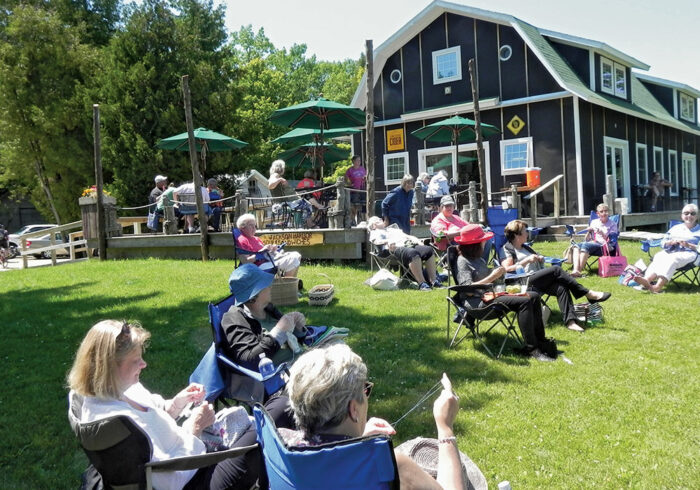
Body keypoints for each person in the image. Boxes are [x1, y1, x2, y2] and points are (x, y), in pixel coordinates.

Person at [67, 319, 294, 490]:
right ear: (109, 366)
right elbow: (168, 479)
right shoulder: (119, 423)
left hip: (192, 461)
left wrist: (178, 402)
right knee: (275, 413)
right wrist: (193, 429)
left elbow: (153, 415)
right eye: (136, 361)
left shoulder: (106, 393)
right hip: (193, 480)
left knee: (271, 414)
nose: (144, 364)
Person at [282, 343, 465, 490]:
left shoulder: (283, 445)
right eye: (365, 390)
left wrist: (356, 440)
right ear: (353, 409)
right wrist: (444, 426)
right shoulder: (387, 465)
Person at [455, 224, 556, 361]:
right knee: (524, 301)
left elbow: (488, 278)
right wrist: (493, 276)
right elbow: (467, 289)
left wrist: (500, 272)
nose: (485, 243)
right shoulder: (463, 261)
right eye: (483, 240)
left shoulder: (479, 259)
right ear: (475, 244)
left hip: (492, 296)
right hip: (478, 304)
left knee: (533, 296)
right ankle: (532, 349)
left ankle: (541, 343)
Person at [501, 219, 611, 332]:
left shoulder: (526, 247)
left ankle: (570, 322)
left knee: (561, 287)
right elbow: (507, 269)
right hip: (523, 283)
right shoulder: (507, 249)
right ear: (516, 235)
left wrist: (540, 259)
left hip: (537, 280)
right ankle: (587, 293)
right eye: (525, 231)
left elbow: (536, 264)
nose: (527, 233)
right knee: (556, 269)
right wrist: (527, 260)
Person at [222, 264, 306, 370]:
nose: (270, 285)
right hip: (284, 373)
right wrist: (278, 331)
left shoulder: (268, 308)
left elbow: (296, 341)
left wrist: (298, 327)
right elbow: (249, 360)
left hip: (303, 359)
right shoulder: (233, 319)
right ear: (255, 293)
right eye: (265, 284)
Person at [634, 203, 700, 293]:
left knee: (673, 258)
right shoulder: (675, 228)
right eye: (686, 213)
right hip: (672, 250)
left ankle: (657, 287)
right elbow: (663, 242)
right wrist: (670, 242)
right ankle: (646, 280)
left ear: (697, 216)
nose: (689, 215)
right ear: (682, 216)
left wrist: (689, 245)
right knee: (659, 256)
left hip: (691, 254)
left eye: (692, 213)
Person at [367, 216, 441, 290]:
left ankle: (434, 281)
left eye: (380, 219)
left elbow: (407, 236)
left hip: (408, 244)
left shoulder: (392, 229)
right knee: (412, 253)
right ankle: (422, 283)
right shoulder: (375, 232)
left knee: (428, 250)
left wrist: (418, 241)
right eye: (377, 221)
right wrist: (387, 241)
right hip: (393, 248)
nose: (380, 219)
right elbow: (376, 241)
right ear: (373, 226)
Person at [235, 213, 301, 277]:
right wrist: (262, 252)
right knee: (293, 259)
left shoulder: (256, 238)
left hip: (268, 261)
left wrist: (272, 249)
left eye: (255, 226)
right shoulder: (242, 240)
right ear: (242, 227)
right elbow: (246, 261)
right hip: (259, 266)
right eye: (251, 225)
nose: (254, 228)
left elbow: (265, 253)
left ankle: (292, 282)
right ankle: (287, 285)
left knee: (296, 255)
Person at [571, 203, 618, 278]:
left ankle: (578, 272)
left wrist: (602, 233)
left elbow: (612, 241)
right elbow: (586, 239)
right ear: (598, 213)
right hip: (593, 244)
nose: (604, 213)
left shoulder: (612, 224)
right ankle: (575, 270)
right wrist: (589, 232)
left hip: (605, 247)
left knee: (586, 245)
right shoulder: (594, 222)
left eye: (606, 211)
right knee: (576, 246)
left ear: (608, 212)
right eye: (601, 211)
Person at [345, 155, 367, 224]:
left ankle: (361, 221)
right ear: (353, 161)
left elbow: (366, 176)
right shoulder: (350, 170)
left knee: (362, 205)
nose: (359, 162)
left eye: (360, 160)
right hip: (354, 190)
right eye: (357, 160)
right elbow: (345, 178)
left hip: (362, 189)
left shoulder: (362, 169)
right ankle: (353, 220)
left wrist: (365, 178)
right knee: (354, 205)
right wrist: (349, 184)